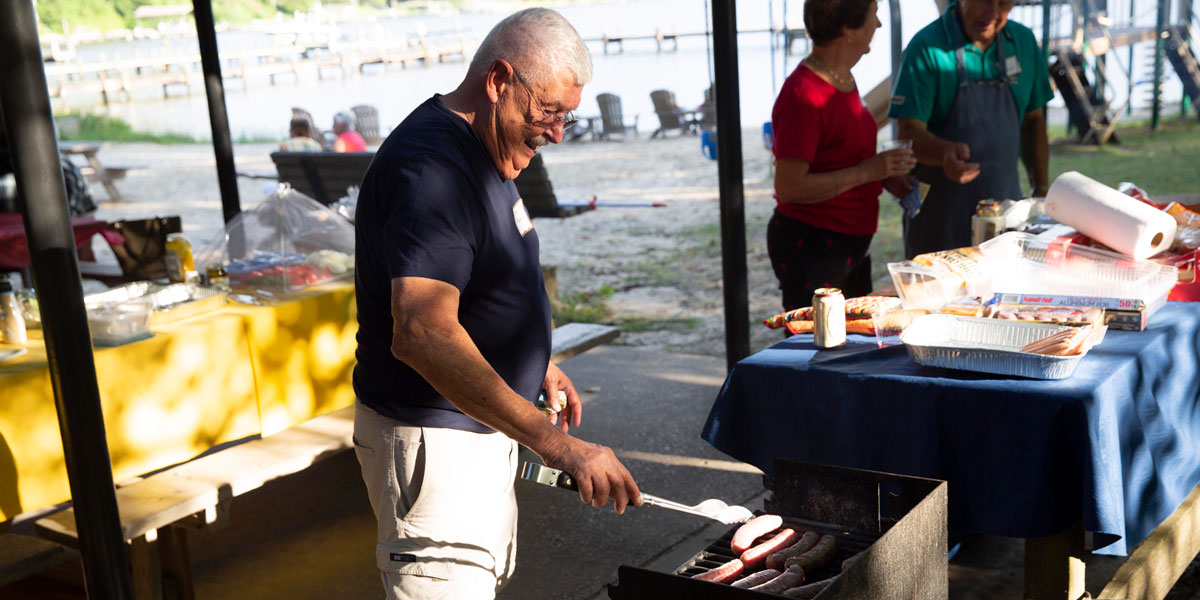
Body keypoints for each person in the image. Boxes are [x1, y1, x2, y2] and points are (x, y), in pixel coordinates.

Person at [352, 8, 641, 599]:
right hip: (433, 446)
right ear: (498, 80)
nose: (557, 132)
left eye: (568, 117)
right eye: (550, 112)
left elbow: (474, 281)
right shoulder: (432, 169)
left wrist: (533, 363)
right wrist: (558, 444)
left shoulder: (487, 145)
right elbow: (422, 333)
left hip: (469, 437)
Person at [768, 0, 917, 312]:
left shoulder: (841, 78)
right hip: (814, 245)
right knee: (819, 350)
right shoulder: (804, 94)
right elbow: (789, 187)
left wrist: (884, 175)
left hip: (848, 244)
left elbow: (839, 154)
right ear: (848, 29)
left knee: (849, 347)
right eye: (873, 15)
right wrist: (868, 172)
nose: (878, 25)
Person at [889, 0, 1052, 258]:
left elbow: (1034, 121)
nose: (993, 12)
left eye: (1004, 3)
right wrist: (945, 153)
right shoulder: (927, 47)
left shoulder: (1022, 41)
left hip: (1004, 221)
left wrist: (1041, 194)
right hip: (939, 224)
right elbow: (907, 132)